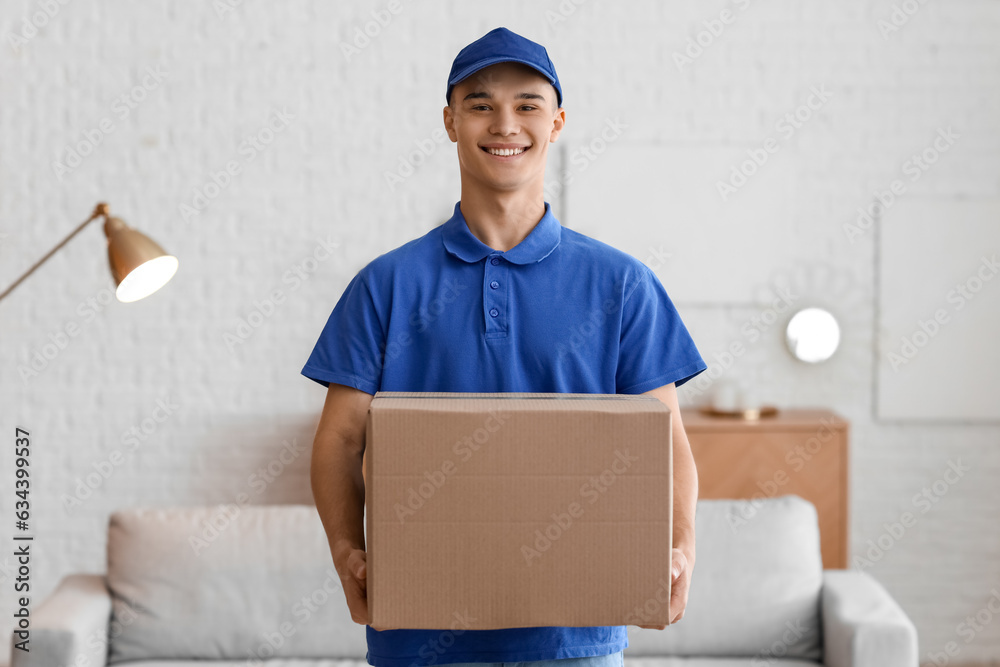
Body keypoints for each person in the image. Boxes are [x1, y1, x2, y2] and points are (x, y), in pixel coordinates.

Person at [302, 26, 708, 667]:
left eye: (527, 104)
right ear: (449, 121)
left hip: (575, 634)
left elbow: (667, 439)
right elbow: (340, 440)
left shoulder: (622, 284)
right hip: (418, 631)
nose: (505, 123)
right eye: (481, 104)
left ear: (558, 121)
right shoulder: (386, 284)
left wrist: (681, 546)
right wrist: (346, 549)